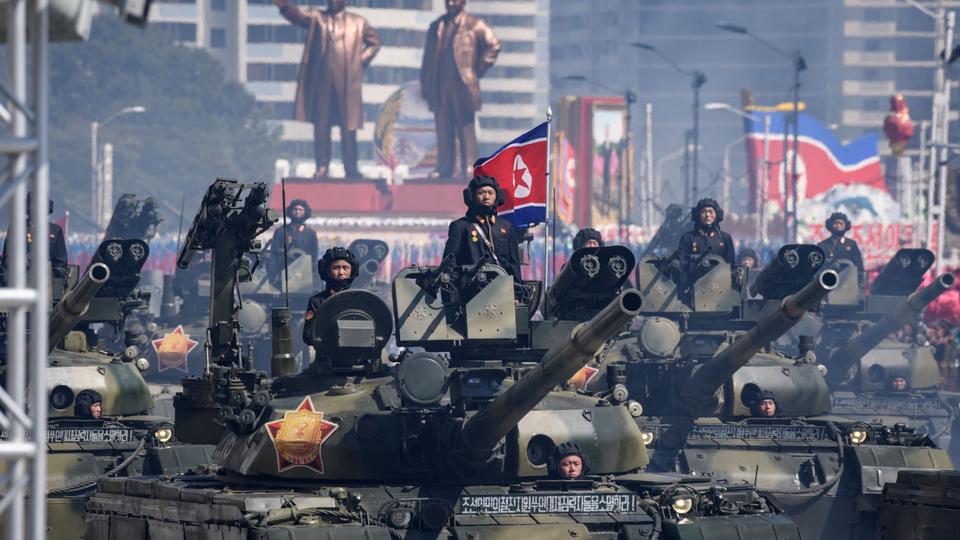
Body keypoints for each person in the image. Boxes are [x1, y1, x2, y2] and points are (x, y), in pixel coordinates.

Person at [274, 0, 380, 179]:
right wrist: (285, 7)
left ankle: (351, 167)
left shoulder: (358, 22)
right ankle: (322, 166)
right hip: (323, 82)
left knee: (348, 128)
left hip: (347, 83)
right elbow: (299, 17)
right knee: (321, 126)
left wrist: (360, 60)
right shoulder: (318, 18)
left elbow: (375, 43)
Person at [421, 0, 500, 180]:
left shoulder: (474, 24)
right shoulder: (436, 27)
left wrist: (475, 71)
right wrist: (426, 85)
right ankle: (444, 167)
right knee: (443, 127)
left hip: (462, 85)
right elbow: (427, 60)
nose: (450, 3)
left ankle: (469, 167)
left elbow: (494, 45)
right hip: (440, 85)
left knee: (465, 127)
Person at [442, 176, 522, 279]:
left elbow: (514, 264)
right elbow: (449, 263)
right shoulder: (461, 226)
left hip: (501, 289)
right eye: (481, 193)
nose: (486, 197)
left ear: (497, 196)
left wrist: (517, 291)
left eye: (491, 193)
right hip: (471, 289)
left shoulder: (506, 227)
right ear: (472, 196)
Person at [303, 247, 358, 346]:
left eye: (346, 268)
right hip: (328, 355)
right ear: (327, 270)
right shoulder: (317, 302)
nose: (341, 272)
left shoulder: (360, 300)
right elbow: (308, 337)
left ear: (352, 270)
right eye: (336, 268)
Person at [2, 196, 68, 278]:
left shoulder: (55, 230)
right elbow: (7, 259)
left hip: (48, 279)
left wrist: (51, 271)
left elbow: (61, 262)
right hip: (20, 278)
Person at [675, 198, 735, 266]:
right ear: (698, 215)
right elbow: (682, 262)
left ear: (716, 215)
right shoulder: (688, 238)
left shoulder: (725, 238)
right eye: (704, 212)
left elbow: (730, 264)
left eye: (711, 212)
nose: (707, 215)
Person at [270, 199, 319, 264]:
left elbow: (314, 255)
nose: (298, 212)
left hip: (304, 269)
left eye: (300, 210)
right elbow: (274, 251)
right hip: (284, 268)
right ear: (290, 211)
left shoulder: (311, 233)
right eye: (295, 209)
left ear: (305, 212)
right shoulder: (281, 231)